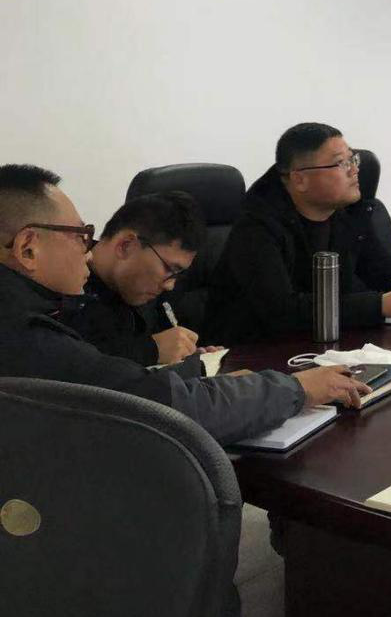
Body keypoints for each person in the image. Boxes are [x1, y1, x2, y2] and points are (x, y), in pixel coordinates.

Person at [0, 164, 370, 446]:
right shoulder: (26, 331)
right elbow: (160, 406)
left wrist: (198, 374)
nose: (88, 250)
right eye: (81, 236)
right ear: (28, 248)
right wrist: (297, 390)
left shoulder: (34, 309)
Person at [207, 123, 391, 344]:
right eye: (341, 163)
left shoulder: (349, 211)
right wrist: (380, 305)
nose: (355, 170)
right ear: (300, 179)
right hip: (253, 352)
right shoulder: (256, 226)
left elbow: (380, 266)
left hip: (329, 342)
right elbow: (281, 310)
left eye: (353, 159)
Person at [59, 191, 213, 372]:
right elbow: (64, 365)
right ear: (126, 245)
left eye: (177, 274)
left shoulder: (144, 290)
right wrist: (150, 351)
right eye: (169, 269)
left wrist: (190, 356)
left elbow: (168, 347)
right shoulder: (64, 282)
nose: (170, 285)